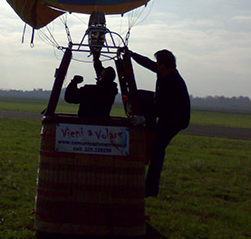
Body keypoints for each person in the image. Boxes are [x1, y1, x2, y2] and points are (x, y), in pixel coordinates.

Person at [128, 49, 190, 197]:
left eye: (158, 63)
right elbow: (148, 63)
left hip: (173, 120)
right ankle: (149, 187)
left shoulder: (171, 81)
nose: (156, 65)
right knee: (140, 95)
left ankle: (150, 189)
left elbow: (164, 107)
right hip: (167, 114)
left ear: (163, 65)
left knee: (157, 150)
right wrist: (131, 54)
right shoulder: (165, 73)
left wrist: (145, 118)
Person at [64, 53, 118, 117]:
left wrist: (74, 82)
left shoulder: (89, 90)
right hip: (101, 123)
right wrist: (96, 60)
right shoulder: (111, 92)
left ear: (101, 77)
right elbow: (104, 79)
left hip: (84, 123)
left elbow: (69, 97)